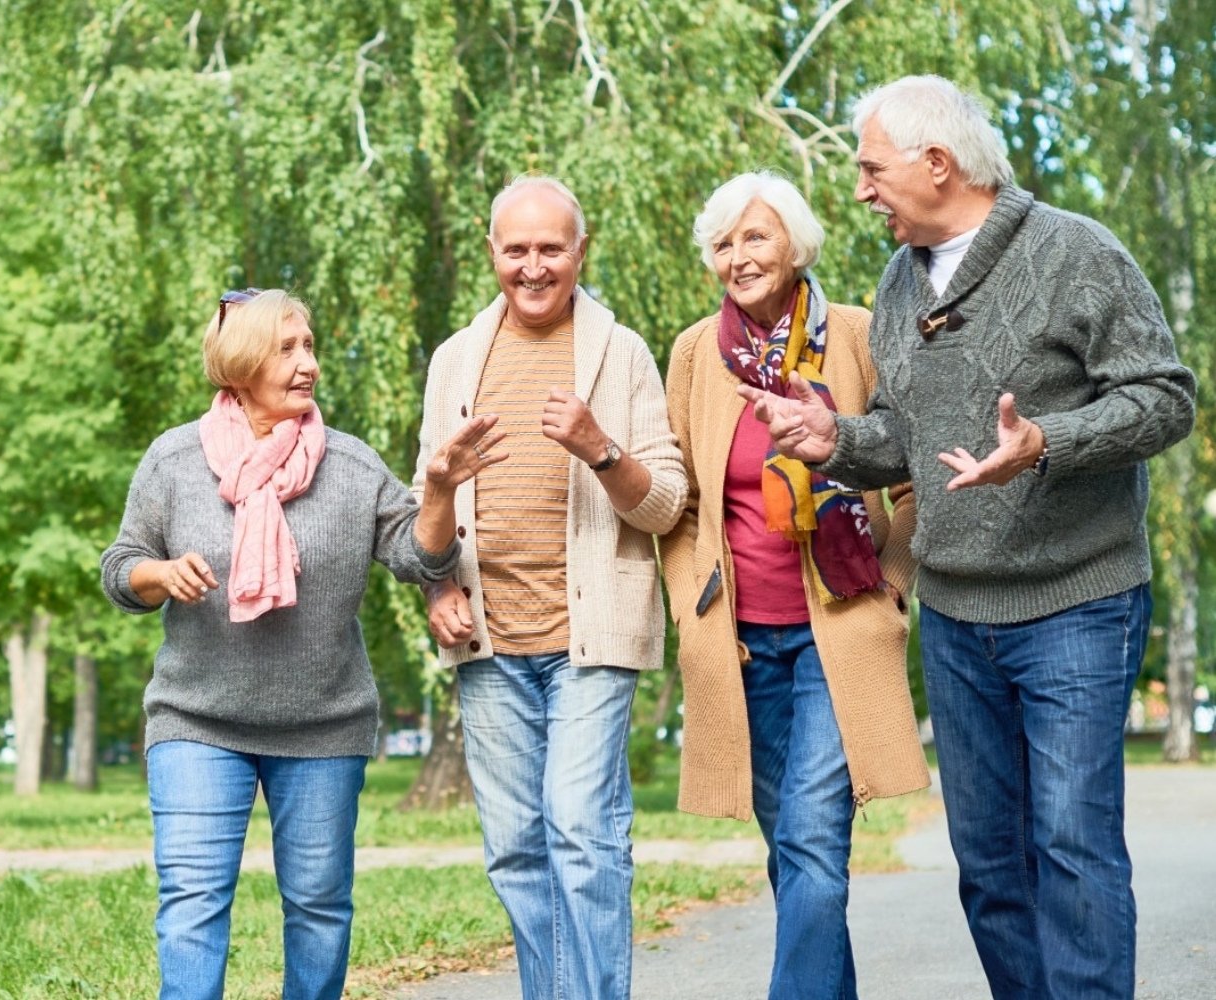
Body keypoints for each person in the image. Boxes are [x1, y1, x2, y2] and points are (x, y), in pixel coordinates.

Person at [742, 76, 1197, 1000]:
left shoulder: (1076, 253)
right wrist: (837, 441)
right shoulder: (898, 280)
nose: (861, 189)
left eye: (872, 168)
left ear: (936, 164)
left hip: (1077, 601)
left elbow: (1165, 399)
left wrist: (1046, 444)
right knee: (989, 867)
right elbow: (908, 439)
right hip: (955, 615)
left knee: (1071, 852)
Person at [100, 288, 500, 1000]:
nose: (307, 363)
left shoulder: (348, 465)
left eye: (310, 346)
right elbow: (120, 567)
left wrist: (437, 492)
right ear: (242, 362)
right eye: (288, 349)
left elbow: (421, 558)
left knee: (317, 911)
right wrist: (160, 572)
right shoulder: (175, 461)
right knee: (192, 906)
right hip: (197, 720)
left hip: (323, 725)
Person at [414, 176, 687, 1000]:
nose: (534, 268)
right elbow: (427, 528)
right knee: (516, 849)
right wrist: (434, 581)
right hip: (488, 644)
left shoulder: (619, 352)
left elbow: (668, 505)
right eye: (517, 250)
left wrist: (600, 447)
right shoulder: (456, 359)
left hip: (590, 638)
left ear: (580, 249)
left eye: (551, 249)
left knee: (580, 829)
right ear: (491, 249)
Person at [660, 170, 928, 1000]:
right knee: (793, 852)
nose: (738, 256)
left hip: (837, 631)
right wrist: (693, 609)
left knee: (813, 842)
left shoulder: (854, 334)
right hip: (742, 641)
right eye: (724, 242)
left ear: (796, 244)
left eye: (755, 236)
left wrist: (892, 581)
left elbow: (912, 477)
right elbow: (683, 505)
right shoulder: (695, 354)